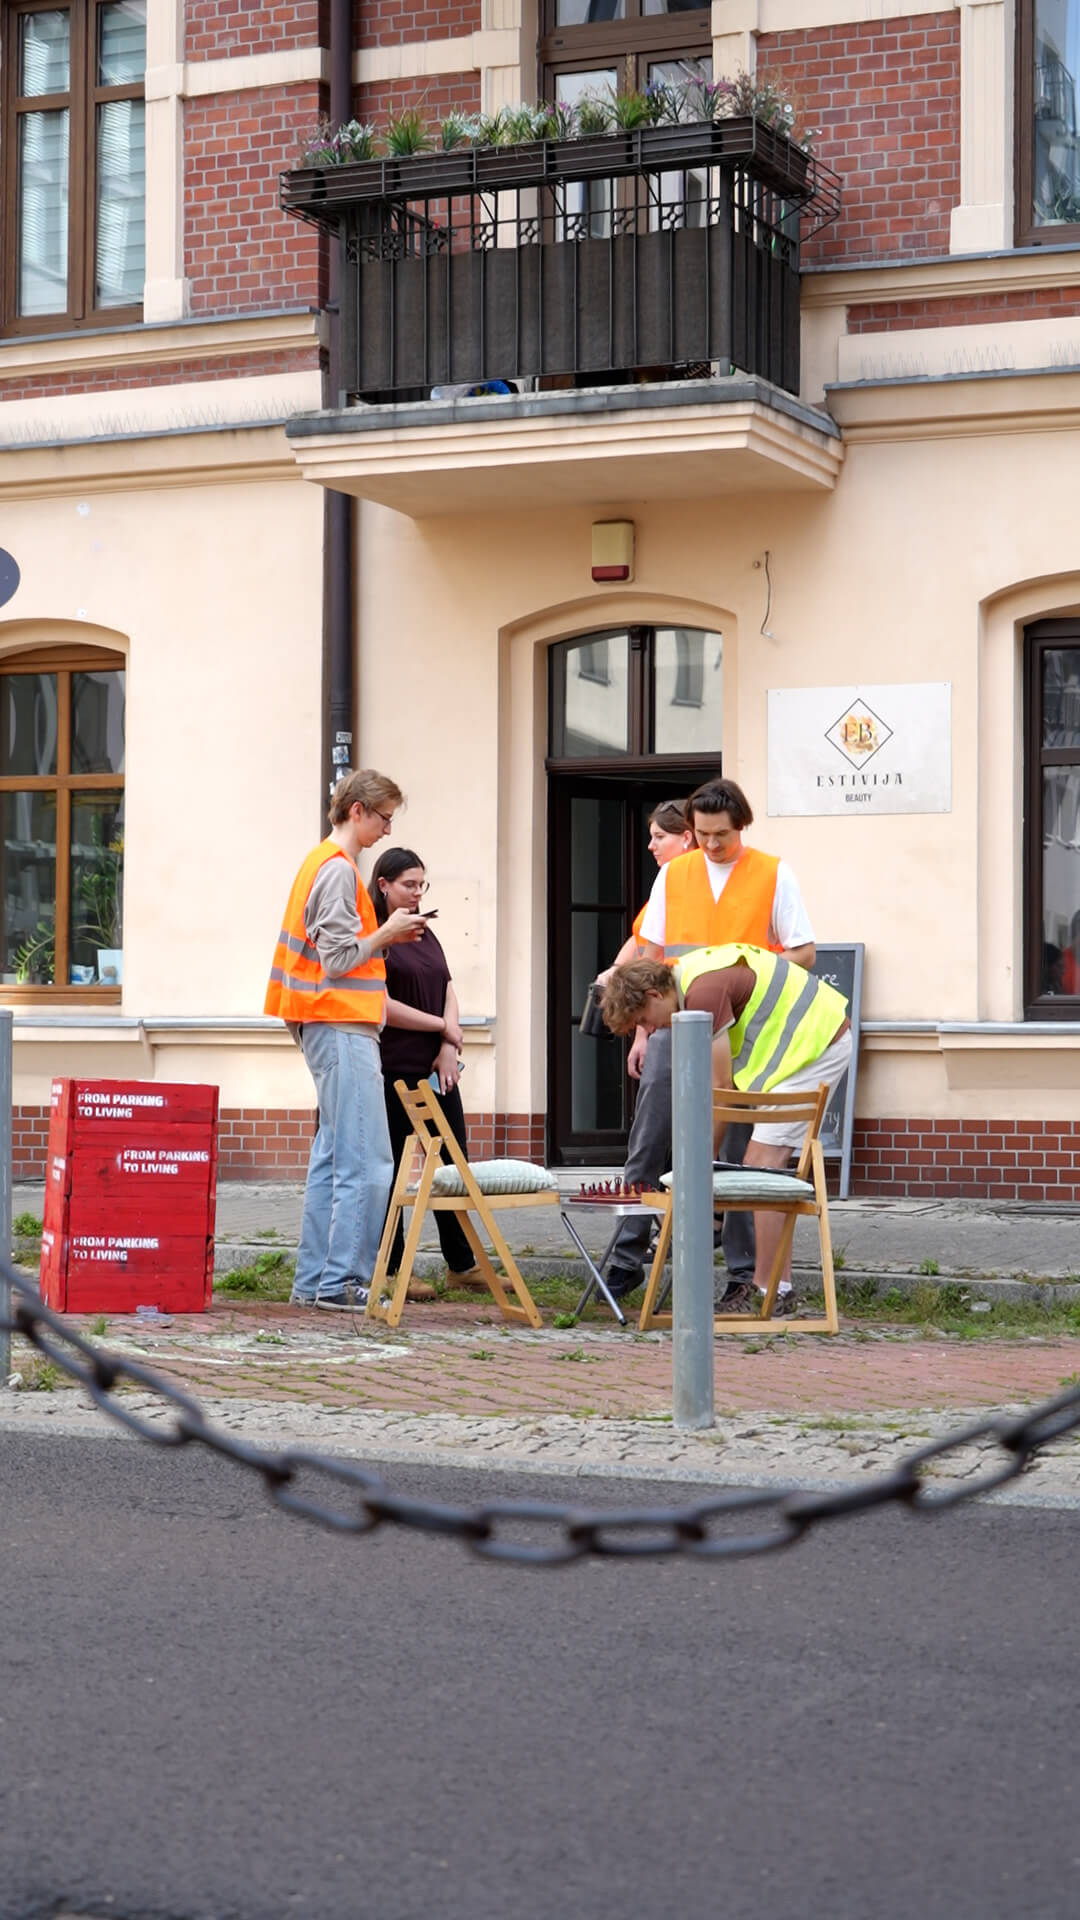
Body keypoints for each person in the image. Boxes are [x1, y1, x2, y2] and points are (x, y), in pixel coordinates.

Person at [604, 776, 815, 1304]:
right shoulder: (675, 874)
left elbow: (804, 952)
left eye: (722, 835)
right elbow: (651, 952)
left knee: (739, 1152)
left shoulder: (772, 873)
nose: (712, 845)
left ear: (740, 826)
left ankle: (742, 1275)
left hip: (744, 1035)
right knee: (650, 1139)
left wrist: (740, 976)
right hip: (674, 1021)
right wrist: (642, 1032)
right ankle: (627, 1259)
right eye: (702, 835)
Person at [601, 945, 851, 1312]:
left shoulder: (702, 994)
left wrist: (701, 1169)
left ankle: (770, 1292)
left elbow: (722, 1090)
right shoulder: (686, 983)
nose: (649, 1030)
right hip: (805, 1047)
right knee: (763, 1171)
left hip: (818, 1045)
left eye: (643, 1019)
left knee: (761, 1168)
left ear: (654, 994)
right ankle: (777, 1289)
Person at [265, 769, 432, 1311]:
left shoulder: (322, 863)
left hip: (326, 1023)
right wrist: (388, 933)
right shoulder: (337, 871)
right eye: (384, 817)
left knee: (334, 1158)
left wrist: (380, 938)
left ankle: (315, 1282)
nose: (387, 829)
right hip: (340, 1025)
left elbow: (330, 955)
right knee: (369, 1162)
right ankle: (342, 1282)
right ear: (357, 810)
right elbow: (338, 961)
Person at [370, 846, 485, 1295]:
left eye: (422, 885)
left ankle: (461, 1262)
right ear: (384, 885)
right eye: (408, 885)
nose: (417, 894)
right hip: (393, 1070)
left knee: (452, 1162)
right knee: (397, 1171)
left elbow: (447, 985)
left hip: (437, 1067)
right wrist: (443, 1026)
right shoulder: (380, 936)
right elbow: (382, 1006)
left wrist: (445, 1043)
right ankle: (396, 1269)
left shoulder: (424, 932)